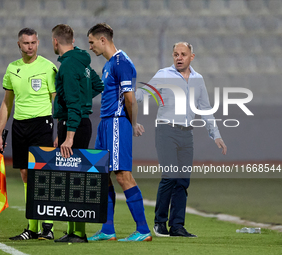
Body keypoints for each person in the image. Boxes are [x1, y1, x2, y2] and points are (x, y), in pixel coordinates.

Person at [136, 42, 227, 237]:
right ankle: (159, 223)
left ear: (191, 57)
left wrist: (216, 134)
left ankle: (177, 226)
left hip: (187, 133)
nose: (179, 57)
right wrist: (125, 95)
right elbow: (142, 94)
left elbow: (205, 108)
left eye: (183, 54)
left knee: (182, 181)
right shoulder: (163, 75)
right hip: (166, 130)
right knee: (170, 176)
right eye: (176, 54)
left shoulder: (198, 79)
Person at [87, 23, 152, 242]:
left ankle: (143, 230)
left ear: (103, 40)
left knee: (123, 175)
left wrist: (133, 124)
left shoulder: (122, 63)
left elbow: (130, 98)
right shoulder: (108, 65)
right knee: (102, 175)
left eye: (92, 42)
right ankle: (107, 230)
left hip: (117, 123)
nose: (91, 47)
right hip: (105, 124)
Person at [0, 28, 58, 241]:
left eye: (33, 42)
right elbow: (6, 103)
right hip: (20, 125)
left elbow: (56, 99)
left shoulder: (48, 67)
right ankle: (31, 227)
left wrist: (60, 129)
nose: (30, 46)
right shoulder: (12, 68)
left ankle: (47, 226)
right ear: (19, 45)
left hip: (42, 123)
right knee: (25, 174)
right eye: (26, 43)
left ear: (38, 43)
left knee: (44, 174)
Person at [51, 24, 104, 243]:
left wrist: (69, 135)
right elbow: (97, 85)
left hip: (74, 125)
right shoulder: (81, 62)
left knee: (74, 180)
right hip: (77, 123)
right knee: (73, 178)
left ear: (55, 42)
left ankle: (79, 233)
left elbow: (73, 103)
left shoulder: (68, 66)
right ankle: (74, 230)